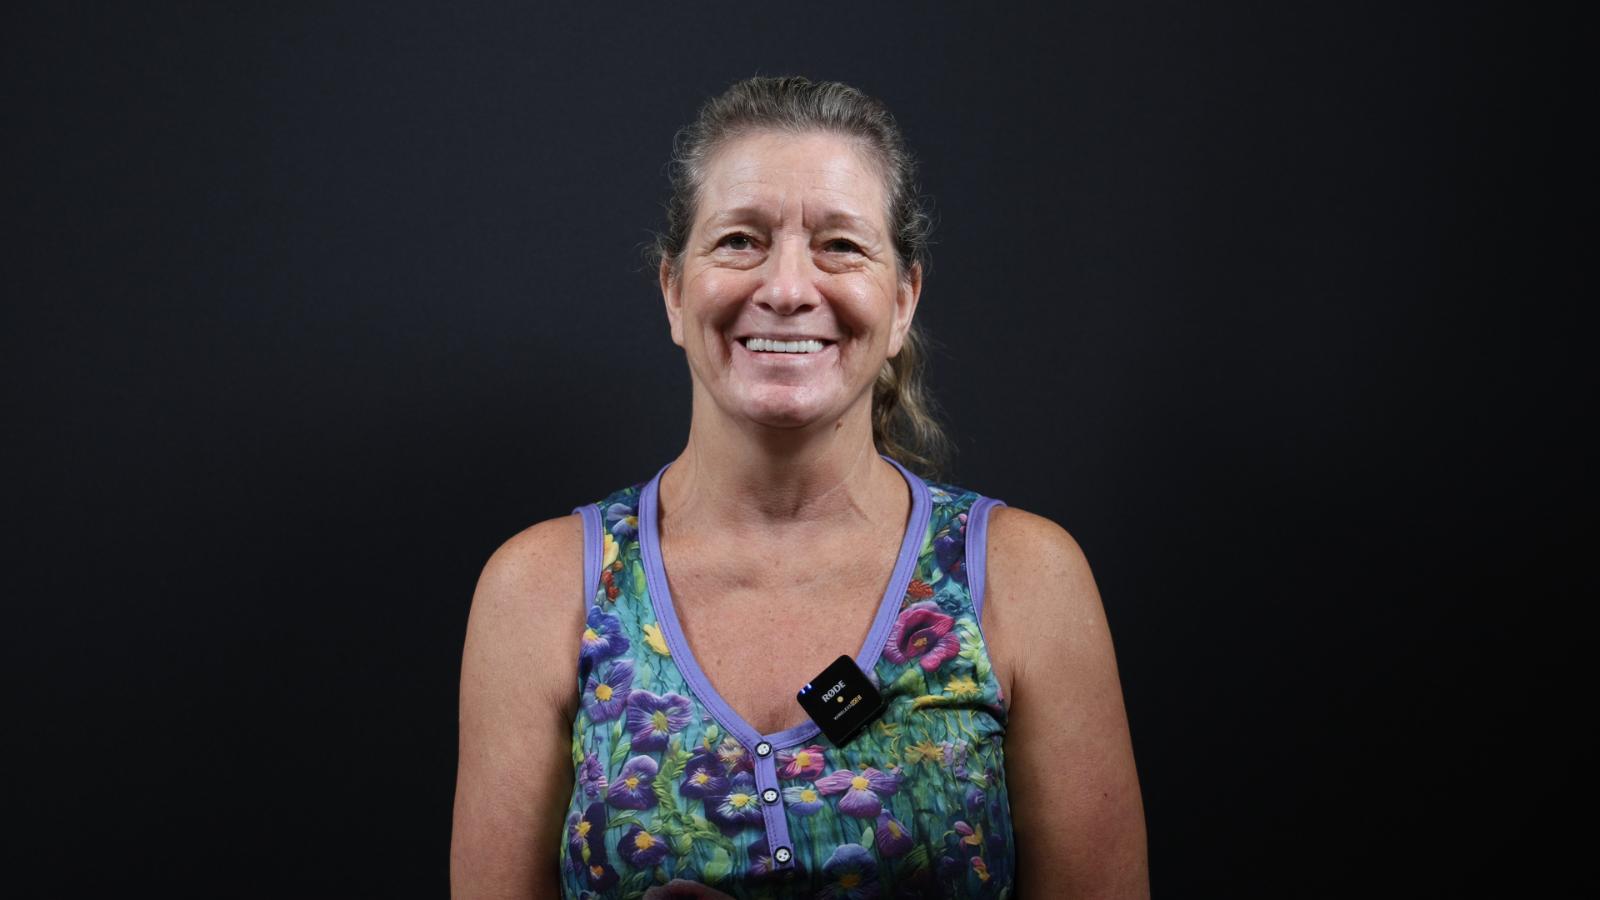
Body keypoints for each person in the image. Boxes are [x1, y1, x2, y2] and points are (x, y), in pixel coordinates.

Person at [451, 75, 1148, 899]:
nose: (785, 289)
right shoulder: (542, 591)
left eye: (840, 245)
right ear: (674, 291)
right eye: (740, 240)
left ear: (902, 301)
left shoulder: (1024, 580)